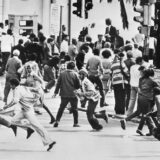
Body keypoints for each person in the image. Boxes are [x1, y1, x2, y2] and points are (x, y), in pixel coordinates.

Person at [1, 78, 56, 151]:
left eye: (11, 85)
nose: (10, 87)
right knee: (13, 121)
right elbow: (34, 89)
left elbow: (15, 101)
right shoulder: (23, 87)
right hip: (23, 111)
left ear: (14, 85)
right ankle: (28, 129)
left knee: (37, 126)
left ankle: (49, 141)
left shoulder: (17, 90)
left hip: (28, 112)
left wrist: (6, 106)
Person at [53, 61, 81, 127]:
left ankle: (57, 120)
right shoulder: (75, 74)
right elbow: (78, 85)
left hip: (64, 94)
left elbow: (58, 84)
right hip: (73, 94)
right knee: (75, 109)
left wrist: (55, 92)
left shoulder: (62, 74)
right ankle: (75, 123)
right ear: (73, 67)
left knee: (61, 108)